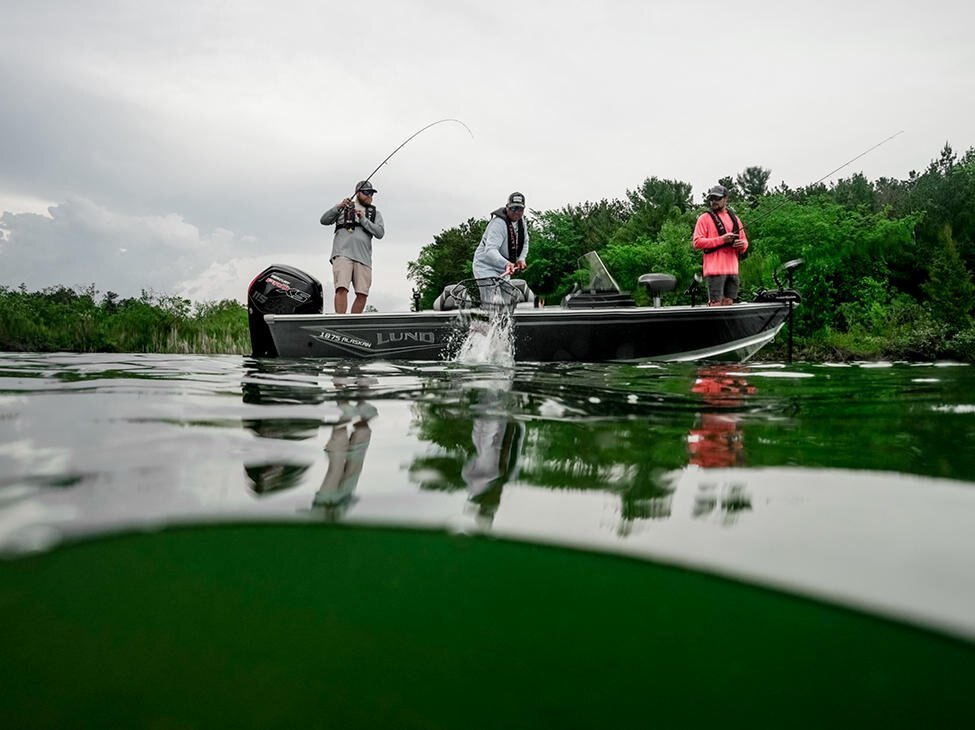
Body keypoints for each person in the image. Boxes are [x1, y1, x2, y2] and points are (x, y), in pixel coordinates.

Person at [320, 180, 385, 313]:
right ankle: (340, 320)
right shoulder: (344, 207)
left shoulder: (375, 213)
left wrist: (363, 220)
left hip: (364, 258)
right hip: (342, 253)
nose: (370, 196)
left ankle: (352, 322)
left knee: (362, 293)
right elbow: (324, 220)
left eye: (372, 193)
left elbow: (380, 233)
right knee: (341, 287)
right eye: (367, 193)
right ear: (357, 193)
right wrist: (338, 207)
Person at [692, 184, 749, 306]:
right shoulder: (704, 218)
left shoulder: (735, 219)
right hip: (715, 270)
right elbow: (697, 242)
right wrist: (722, 240)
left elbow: (745, 243)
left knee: (729, 303)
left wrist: (741, 245)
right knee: (715, 304)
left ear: (726, 199)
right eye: (711, 199)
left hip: (733, 270)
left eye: (717, 198)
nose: (713, 201)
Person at [473, 192, 529, 279]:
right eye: (513, 208)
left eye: (520, 209)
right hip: (486, 267)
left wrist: (521, 259)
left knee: (509, 292)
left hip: (504, 268)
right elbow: (490, 250)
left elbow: (525, 243)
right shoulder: (498, 224)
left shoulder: (521, 222)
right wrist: (506, 263)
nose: (516, 212)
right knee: (493, 293)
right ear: (507, 207)